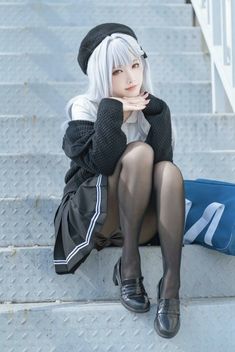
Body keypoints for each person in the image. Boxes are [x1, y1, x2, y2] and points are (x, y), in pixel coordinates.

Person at [53, 22, 185, 339]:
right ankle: (129, 267)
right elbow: (102, 162)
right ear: (100, 74)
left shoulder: (150, 107)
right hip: (95, 214)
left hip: (139, 221)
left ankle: (171, 286)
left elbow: (162, 163)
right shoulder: (84, 107)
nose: (130, 78)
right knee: (138, 153)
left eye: (135, 65)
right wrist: (113, 109)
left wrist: (159, 114)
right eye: (116, 71)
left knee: (168, 171)